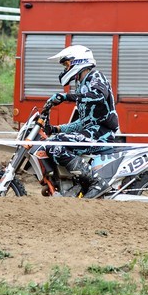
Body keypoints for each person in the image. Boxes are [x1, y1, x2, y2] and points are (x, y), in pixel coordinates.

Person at [42, 45, 120, 199]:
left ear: (78, 61)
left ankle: (96, 183)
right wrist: (57, 129)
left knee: (55, 146)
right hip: (92, 131)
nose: (65, 69)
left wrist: (66, 97)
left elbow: (99, 96)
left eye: (66, 64)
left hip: (101, 133)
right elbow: (83, 122)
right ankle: (76, 183)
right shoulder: (82, 84)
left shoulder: (95, 76)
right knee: (54, 141)